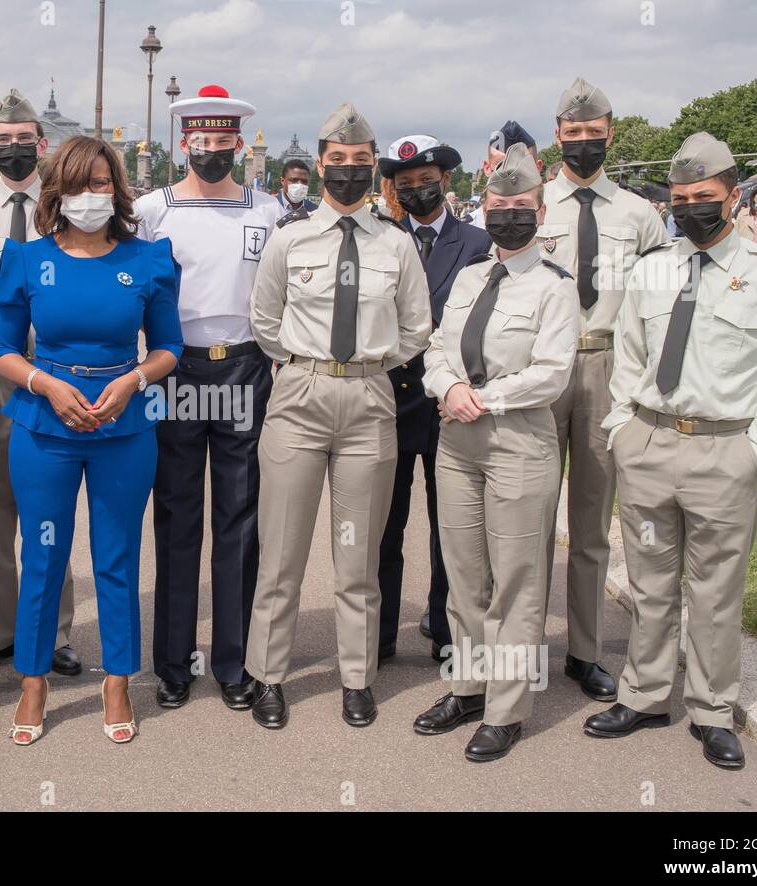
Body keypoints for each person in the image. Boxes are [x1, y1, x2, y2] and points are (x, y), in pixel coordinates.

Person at [585, 133, 757, 770]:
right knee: (651, 580)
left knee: (715, 590)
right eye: (680, 199)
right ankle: (646, 692)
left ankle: (712, 709)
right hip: (651, 443)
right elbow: (628, 355)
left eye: (704, 198)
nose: (689, 209)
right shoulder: (652, 268)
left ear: (733, 197)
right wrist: (623, 428)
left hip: (724, 450)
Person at [0, 136, 182, 745]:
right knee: (43, 555)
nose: (91, 195)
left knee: (117, 554)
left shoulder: (148, 260)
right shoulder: (26, 259)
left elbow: (170, 349)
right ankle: (33, 681)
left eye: (101, 183)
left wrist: (132, 380)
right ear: (56, 193)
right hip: (46, 425)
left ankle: (119, 678)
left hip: (123, 425)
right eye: (78, 184)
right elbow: (1, 351)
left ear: (118, 191)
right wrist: (47, 385)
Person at [245, 103, 432, 729]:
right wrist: (306, 364)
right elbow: (264, 320)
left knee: (358, 555)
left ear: (371, 167)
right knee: (282, 551)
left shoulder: (396, 243)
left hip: (370, 401)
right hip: (299, 395)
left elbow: (416, 328)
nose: (348, 172)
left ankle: (357, 676)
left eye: (360, 162)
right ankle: (268, 674)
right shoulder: (289, 239)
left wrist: (368, 368)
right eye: (338, 161)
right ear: (320, 164)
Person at [414, 142, 578, 762]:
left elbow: (552, 372)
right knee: (464, 573)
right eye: (499, 204)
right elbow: (435, 348)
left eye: (521, 205)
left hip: (517, 440)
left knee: (515, 580)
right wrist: (449, 386)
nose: (508, 213)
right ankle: (468, 684)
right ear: (485, 208)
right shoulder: (468, 277)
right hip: (458, 440)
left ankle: (507, 708)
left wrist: (480, 397)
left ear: (539, 210)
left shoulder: (554, 288)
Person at [134, 84, 279, 712]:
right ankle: (173, 662)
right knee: (177, 516)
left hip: (243, 366)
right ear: (183, 143)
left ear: (238, 144)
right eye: (201, 142)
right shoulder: (150, 210)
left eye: (223, 143)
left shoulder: (268, 211)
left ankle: (233, 660)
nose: (212, 151)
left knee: (239, 519)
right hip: (175, 370)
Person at [535, 78, 667, 702]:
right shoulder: (533, 205)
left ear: (610, 133)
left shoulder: (639, 215)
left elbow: (660, 302)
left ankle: (583, 652)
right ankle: (521, 643)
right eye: (573, 132)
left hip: (608, 368)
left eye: (594, 133)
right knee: (530, 515)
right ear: (556, 133)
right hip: (544, 368)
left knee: (591, 523)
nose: (583, 143)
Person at [0, 90, 81, 678]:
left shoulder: (63, 211)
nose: (13, 149)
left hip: (53, 376)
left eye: (23, 140)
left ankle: (53, 633)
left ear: (42, 143)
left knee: (48, 513)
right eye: (2, 141)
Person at [374, 135, 492, 666]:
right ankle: (379, 631)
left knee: (453, 524)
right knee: (386, 522)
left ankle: (446, 624)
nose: (418, 191)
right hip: (391, 398)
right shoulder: (379, 239)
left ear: (446, 181)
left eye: (427, 182)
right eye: (407, 185)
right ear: (394, 190)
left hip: (451, 400)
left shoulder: (476, 244)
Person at [471, 121, 538, 229]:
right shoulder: (468, 227)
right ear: (487, 168)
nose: (511, 174)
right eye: (501, 165)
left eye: (522, 165)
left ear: (537, 168)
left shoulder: (554, 220)